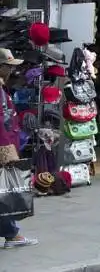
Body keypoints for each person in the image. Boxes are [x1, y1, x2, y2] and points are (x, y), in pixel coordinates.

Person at [0, 48, 36, 248]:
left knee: (4, 190)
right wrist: (6, 149)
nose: (11, 71)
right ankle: (12, 234)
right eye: (8, 66)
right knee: (5, 191)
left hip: (5, 143)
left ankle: (11, 233)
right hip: (3, 145)